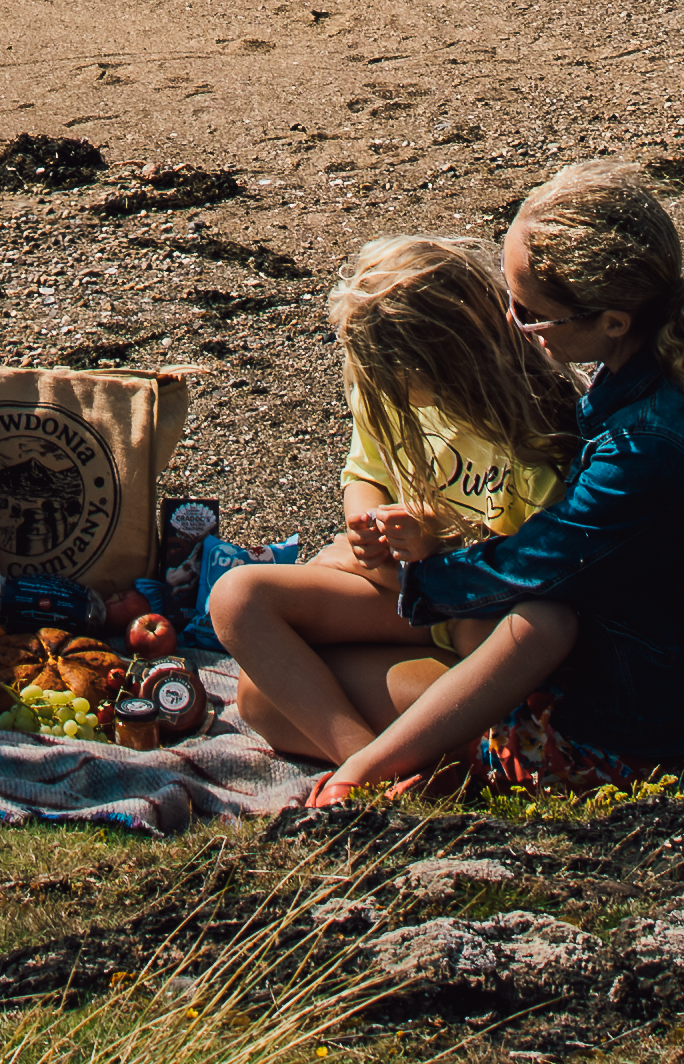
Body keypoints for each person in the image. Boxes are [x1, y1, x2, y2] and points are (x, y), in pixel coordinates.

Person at [261, 157, 684, 804]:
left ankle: (382, 776)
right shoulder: (683, 375)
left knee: (270, 701)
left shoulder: (647, 450)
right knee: (289, 679)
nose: (510, 324)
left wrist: (416, 576)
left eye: (529, 311)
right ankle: (385, 761)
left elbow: (532, 570)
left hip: (638, 742)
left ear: (611, 321)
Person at [202, 235, 585, 768]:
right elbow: (364, 474)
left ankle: (388, 763)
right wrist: (366, 527)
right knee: (239, 611)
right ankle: (367, 767)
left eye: (397, 378)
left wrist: (434, 548)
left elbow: (534, 578)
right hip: (411, 598)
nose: (385, 389)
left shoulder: (539, 431)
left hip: (483, 624)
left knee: (274, 700)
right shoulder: (388, 389)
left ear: (453, 355)